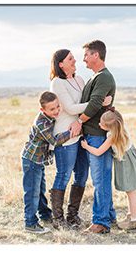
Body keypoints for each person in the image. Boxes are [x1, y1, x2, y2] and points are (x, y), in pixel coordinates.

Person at [44, 47, 110, 229]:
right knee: (63, 175)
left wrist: (96, 106)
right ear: (61, 64)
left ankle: (73, 215)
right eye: (71, 59)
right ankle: (58, 219)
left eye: (74, 58)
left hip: (81, 134)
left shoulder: (80, 80)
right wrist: (97, 103)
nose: (75, 61)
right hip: (65, 137)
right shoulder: (57, 83)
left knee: (81, 175)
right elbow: (72, 108)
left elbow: (85, 105)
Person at [21, 91, 81, 233]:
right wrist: (72, 132)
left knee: (40, 189)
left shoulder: (50, 117)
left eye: (57, 107)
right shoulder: (41, 123)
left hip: (38, 160)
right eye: (52, 109)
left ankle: (45, 214)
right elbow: (54, 141)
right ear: (42, 110)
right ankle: (30, 223)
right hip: (31, 160)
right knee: (32, 192)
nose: (56, 111)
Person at [75, 40, 119, 234]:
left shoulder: (104, 78)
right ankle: (109, 216)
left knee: (100, 180)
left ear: (96, 55)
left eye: (86, 54)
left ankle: (100, 222)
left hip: (98, 136)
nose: (83, 58)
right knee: (102, 179)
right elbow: (96, 103)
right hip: (92, 135)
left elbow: (93, 105)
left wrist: (78, 122)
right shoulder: (96, 77)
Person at [82, 109, 136, 229]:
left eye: (101, 124)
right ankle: (131, 215)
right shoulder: (120, 127)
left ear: (109, 127)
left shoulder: (112, 137)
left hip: (126, 162)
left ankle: (134, 220)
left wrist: (86, 146)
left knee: (131, 191)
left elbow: (98, 152)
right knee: (130, 191)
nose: (99, 124)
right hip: (129, 158)